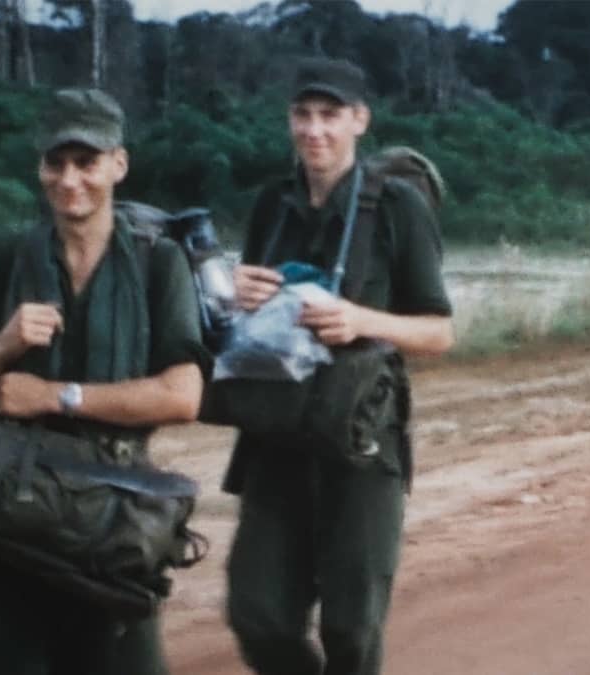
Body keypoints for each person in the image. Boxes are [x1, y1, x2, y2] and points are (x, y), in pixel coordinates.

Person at [0, 88, 205, 675]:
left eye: (87, 162)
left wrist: (56, 396)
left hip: (114, 521)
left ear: (118, 165)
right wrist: (1, 348)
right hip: (16, 518)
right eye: (56, 163)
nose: (70, 179)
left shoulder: (159, 262)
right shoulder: (10, 255)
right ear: (40, 167)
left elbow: (183, 396)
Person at [224, 57, 455, 675]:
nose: (314, 130)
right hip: (276, 437)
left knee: (352, 628)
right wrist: (236, 295)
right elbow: (243, 330)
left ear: (360, 121)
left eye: (330, 115)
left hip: (362, 441)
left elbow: (438, 330)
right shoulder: (271, 205)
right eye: (302, 115)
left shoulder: (398, 206)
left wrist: (361, 321)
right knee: (257, 615)